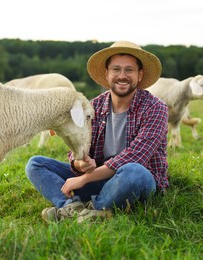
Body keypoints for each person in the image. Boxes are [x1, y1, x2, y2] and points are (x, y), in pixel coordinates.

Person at [25, 41, 169, 223]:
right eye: (116, 69)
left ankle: (90, 207)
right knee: (35, 164)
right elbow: (77, 148)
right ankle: (76, 209)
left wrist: (85, 179)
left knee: (134, 171)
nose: (122, 76)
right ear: (107, 73)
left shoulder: (156, 108)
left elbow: (136, 156)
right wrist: (79, 163)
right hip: (99, 180)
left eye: (129, 70)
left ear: (140, 75)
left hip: (135, 181)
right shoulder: (94, 106)